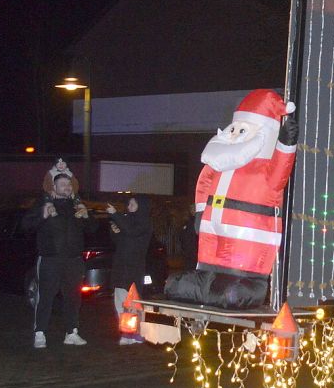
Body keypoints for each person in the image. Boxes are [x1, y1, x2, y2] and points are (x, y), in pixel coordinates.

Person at [165, 89, 298, 309]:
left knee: (235, 277)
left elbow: (280, 172)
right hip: (211, 227)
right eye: (233, 129)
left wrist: (286, 144)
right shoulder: (220, 162)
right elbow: (204, 182)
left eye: (242, 130)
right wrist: (200, 211)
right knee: (206, 264)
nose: (235, 135)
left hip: (246, 232)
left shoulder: (264, 167)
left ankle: (243, 287)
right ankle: (203, 283)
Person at [22, 163, 96, 348]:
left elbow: (93, 228)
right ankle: (40, 332)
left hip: (73, 260)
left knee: (73, 298)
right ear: (54, 187)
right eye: (63, 184)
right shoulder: (44, 204)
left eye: (69, 184)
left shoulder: (76, 205)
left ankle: (71, 332)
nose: (67, 187)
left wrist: (87, 216)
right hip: (50, 259)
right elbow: (26, 226)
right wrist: (42, 215)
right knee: (45, 296)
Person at [106, 195, 152, 345]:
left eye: (133, 203)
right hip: (121, 267)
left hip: (134, 268)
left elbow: (132, 231)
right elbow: (121, 240)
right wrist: (115, 232)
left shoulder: (143, 222)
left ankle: (137, 333)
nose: (129, 206)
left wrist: (115, 215)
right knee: (120, 301)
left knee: (134, 302)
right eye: (129, 203)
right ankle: (127, 333)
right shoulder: (127, 220)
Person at [178, 203, 199, 270]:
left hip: (192, 252)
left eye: (193, 209)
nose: (192, 210)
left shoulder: (193, 222)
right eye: (191, 209)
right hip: (191, 251)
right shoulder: (191, 222)